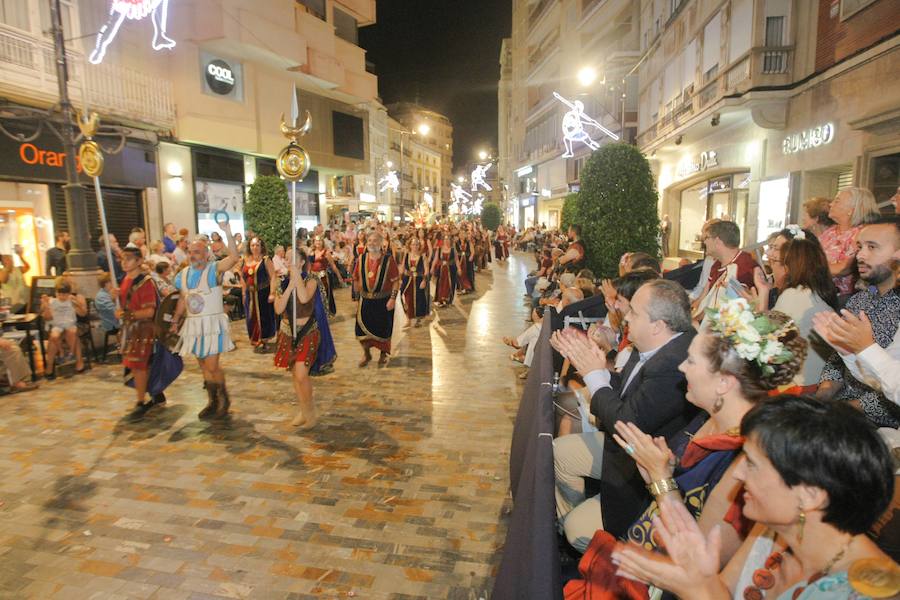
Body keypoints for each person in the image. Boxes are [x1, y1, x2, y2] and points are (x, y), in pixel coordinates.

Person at [565, 301, 808, 596]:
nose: (681, 367)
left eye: (691, 362)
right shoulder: (708, 417)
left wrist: (660, 478)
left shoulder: (746, 457)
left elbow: (702, 562)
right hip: (648, 542)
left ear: (723, 383)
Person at [611, 396, 897, 600]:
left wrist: (696, 589)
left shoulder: (872, 590)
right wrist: (700, 579)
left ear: (809, 495)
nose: (737, 476)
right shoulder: (773, 529)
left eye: (752, 464)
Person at [550, 279, 700, 545]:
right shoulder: (651, 346)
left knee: (577, 529)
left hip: (639, 473)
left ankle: (592, 544)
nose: (626, 317)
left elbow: (626, 422)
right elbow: (626, 392)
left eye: (634, 313)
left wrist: (595, 377)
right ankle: (568, 525)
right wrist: (600, 371)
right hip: (625, 451)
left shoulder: (673, 363)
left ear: (658, 325)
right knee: (559, 453)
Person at [818, 217, 900, 427]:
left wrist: (844, 409)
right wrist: (823, 393)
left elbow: (890, 384)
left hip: (876, 421)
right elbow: (837, 358)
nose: (860, 255)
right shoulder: (859, 299)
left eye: (872, 247)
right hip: (841, 407)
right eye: (860, 247)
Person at [748, 231, 838, 389]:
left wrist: (762, 293)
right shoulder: (816, 293)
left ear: (789, 267)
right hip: (816, 381)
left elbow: (759, 339)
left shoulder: (794, 294)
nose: (771, 260)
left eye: (779, 261)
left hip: (798, 385)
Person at [171, 223, 240, 419]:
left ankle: (223, 398)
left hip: (212, 325)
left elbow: (234, 258)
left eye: (197, 252)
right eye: (190, 252)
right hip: (194, 324)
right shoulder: (182, 275)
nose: (193, 255)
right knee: (203, 366)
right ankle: (212, 401)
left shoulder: (213, 270)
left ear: (206, 254)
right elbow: (183, 299)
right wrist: (176, 320)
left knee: (211, 366)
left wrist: (227, 231)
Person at [274, 247, 337, 429]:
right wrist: (288, 287)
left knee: (302, 374)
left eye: (293, 258)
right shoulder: (281, 282)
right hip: (288, 332)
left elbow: (303, 298)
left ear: (301, 262)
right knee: (295, 374)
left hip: (308, 331)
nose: (288, 261)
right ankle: (303, 410)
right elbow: (279, 309)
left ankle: (310, 412)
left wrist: (297, 280)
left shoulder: (312, 280)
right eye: (286, 258)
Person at [118, 247, 164, 416]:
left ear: (139, 261)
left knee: (140, 366)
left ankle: (140, 402)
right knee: (137, 366)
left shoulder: (145, 282)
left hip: (143, 331)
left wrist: (127, 314)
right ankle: (155, 393)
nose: (124, 262)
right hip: (130, 330)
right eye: (123, 258)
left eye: (129, 258)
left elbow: (149, 312)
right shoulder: (125, 279)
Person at [693, 220, 758, 321]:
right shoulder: (717, 264)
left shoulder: (744, 268)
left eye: (706, 238)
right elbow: (705, 298)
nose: (704, 241)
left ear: (718, 241)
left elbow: (727, 311)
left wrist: (694, 322)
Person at [820, 187, 880, 296]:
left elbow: (843, 269)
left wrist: (809, 266)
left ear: (851, 210)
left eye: (837, 201)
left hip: (843, 297)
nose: (830, 204)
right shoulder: (830, 232)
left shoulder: (862, 234)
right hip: (820, 291)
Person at [354, 231, 400, 367]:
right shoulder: (361, 259)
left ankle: (383, 354)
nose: (372, 243)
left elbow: (396, 281)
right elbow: (356, 279)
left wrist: (392, 299)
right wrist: (357, 299)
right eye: (369, 241)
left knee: (383, 329)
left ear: (381, 243)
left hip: (383, 301)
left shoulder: (388, 260)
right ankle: (366, 354)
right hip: (365, 300)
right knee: (361, 330)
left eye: (375, 241)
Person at [40, 280, 87, 379]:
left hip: (72, 324)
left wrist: (77, 304)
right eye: (59, 294)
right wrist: (46, 306)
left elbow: (83, 314)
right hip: (57, 325)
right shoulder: (52, 301)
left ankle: (73, 356)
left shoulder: (75, 298)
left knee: (72, 332)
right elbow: (47, 318)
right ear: (56, 293)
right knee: (54, 337)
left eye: (64, 294)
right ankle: (52, 364)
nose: (62, 297)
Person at [241, 237, 277, 352]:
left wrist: (272, 293)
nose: (255, 248)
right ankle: (255, 340)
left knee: (264, 317)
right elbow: (243, 278)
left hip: (263, 293)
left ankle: (264, 340)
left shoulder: (266, 260)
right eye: (252, 245)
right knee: (251, 318)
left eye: (257, 245)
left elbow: (273, 277)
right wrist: (243, 293)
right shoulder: (245, 260)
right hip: (250, 294)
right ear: (249, 247)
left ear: (261, 247)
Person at [309, 236, 341, 317]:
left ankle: (326, 312)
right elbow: (308, 265)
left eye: (319, 241)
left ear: (322, 242)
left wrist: (339, 276)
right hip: (313, 276)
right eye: (316, 241)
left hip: (323, 277)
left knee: (324, 294)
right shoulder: (311, 252)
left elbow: (333, 265)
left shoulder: (326, 252)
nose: (318, 243)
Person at [401, 238, 430, 327]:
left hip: (418, 280)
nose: (415, 246)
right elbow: (402, 268)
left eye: (417, 244)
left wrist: (424, 280)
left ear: (419, 246)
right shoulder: (406, 255)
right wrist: (400, 279)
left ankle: (418, 319)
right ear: (410, 245)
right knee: (406, 298)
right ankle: (408, 319)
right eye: (413, 244)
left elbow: (426, 270)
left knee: (419, 299)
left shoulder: (423, 256)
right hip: (407, 279)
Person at [0, 247, 29, 313]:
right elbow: (4, 280)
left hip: (24, 299)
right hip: (13, 303)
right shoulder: (1, 272)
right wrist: (7, 268)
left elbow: (27, 267)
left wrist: (21, 257)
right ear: (3, 262)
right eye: (7, 259)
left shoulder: (17, 269)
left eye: (10, 259)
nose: (11, 260)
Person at [432, 234, 458, 307]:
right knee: (441, 284)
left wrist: (459, 268)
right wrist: (432, 268)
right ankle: (441, 299)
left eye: (448, 239)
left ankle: (447, 299)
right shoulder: (439, 249)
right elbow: (436, 259)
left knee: (449, 285)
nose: (446, 241)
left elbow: (456, 260)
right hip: (441, 270)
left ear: (450, 241)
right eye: (445, 239)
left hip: (451, 270)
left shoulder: (453, 249)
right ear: (443, 241)